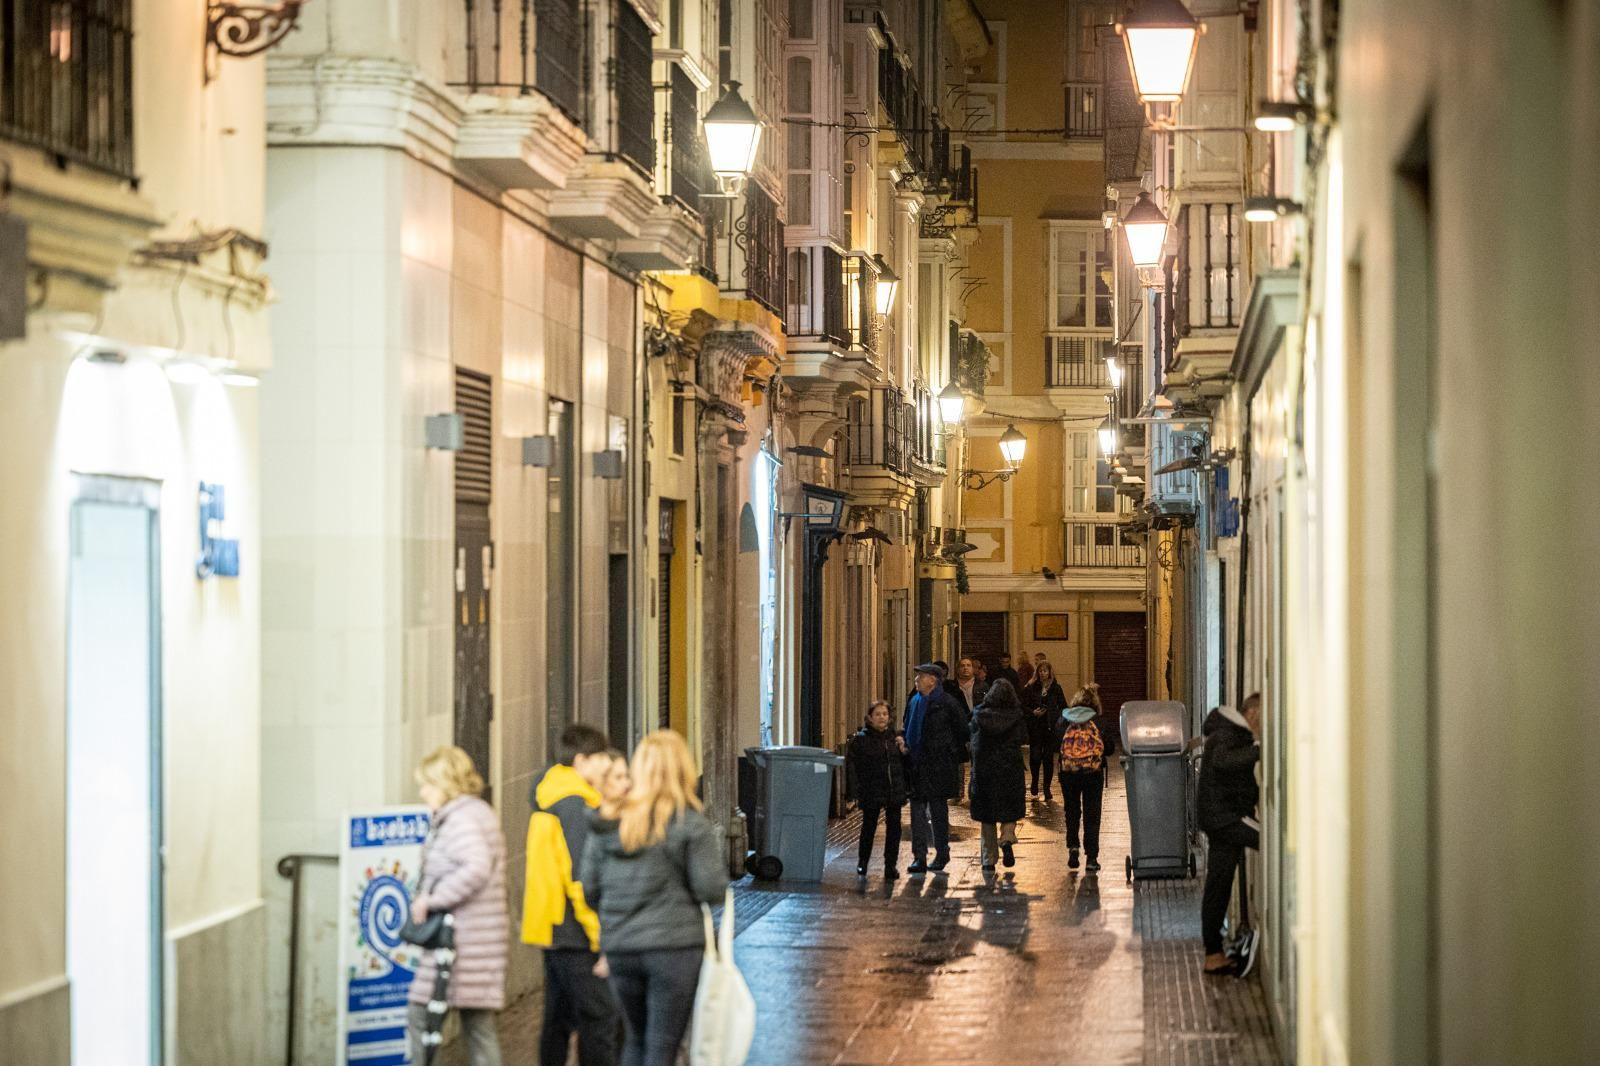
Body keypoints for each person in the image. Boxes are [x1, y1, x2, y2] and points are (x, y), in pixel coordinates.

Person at [581, 731, 726, 1066]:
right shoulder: (691, 824)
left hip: (621, 947)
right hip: (674, 950)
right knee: (662, 1046)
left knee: (635, 1038)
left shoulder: (610, 824)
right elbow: (710, 889)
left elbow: (589, 888)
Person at [523, 724, 620, 1066]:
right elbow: (581, 879)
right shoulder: (574, 806)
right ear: (581, 761)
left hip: (552, 927)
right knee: (601, 1017)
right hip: (574, 932)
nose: (606, 764)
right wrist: (599, 936)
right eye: (599, 757)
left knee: (558, 1018)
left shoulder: (550, 795)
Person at [407, 746, 508, 1066]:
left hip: (459, 943)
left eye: (428, 784)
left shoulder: (460, 820)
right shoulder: (477, 812)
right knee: (478, 1026)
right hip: (479, 940)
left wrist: (433, 899)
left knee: (420, 1015)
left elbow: (476, 867)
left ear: (445, 783)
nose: (423, 793)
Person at [1198, 694, 1262, 977]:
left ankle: (1213, 954)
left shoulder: (1227, 732)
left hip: (1220, 819)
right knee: (1273, 842)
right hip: (1228, 818)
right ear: (1253, 713)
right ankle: (1212, 953)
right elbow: (1224, 762)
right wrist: (1260, 750)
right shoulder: (1227, 734)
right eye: (1264, 717)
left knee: (1219, 885)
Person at [903, 663, 969, 874]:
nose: (916, 680)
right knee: (917, 812)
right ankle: (919, 857)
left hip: (939, 765)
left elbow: (963, 730)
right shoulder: (914, 701)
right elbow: (907, 726)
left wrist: (948, 749)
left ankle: (942, 852)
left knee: (938, 811)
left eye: (920, 676)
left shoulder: (947, 703)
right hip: (917, 764)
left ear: (932, 680)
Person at [845, 700, 909, 879]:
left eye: (885, 714)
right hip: (871, 789)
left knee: (894, 828)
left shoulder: (894, 738)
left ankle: (890, 865)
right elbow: (853, 766)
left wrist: (903, 750)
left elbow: (904, 764)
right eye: (878, 714)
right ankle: (863, 862)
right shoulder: (861, 740)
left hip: (893, 788)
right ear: (870, 718)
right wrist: (854, 790)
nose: (882, 717)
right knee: (869, 826)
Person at [969, 679, 1027, 873]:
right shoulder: (1016, 716)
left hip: (985, 770)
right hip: (1010, 768)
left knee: (987, 815)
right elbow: (1023, 738)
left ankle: (988, 859)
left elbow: (973, 741)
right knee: (1010, 808)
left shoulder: (979, 715)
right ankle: (1007, 838)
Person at [1056, 685, 1111, 871]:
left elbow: (1056, 742)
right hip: (1092, 773)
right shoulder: (1099, 721)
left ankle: (1073, 847)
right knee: (1092, 814)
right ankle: (1092, 858)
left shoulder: (1064, 719)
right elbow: (1109, 747)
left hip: (1068, 773)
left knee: (1071, 811)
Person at [1021, 660, 1067, 801]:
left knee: (1048, 758)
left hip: (1050, 728)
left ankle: (1047, 787)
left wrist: (1053, 714)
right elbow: (1023, 705)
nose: (1042, 673)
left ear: (1049, 672)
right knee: (1035, 756)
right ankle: (1035, 780)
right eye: (1040, 671)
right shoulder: (1031, 687)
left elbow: (1063, 706)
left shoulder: (1056, 688)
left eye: (1045, 671)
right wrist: (1033, 712)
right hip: (1035, 727)